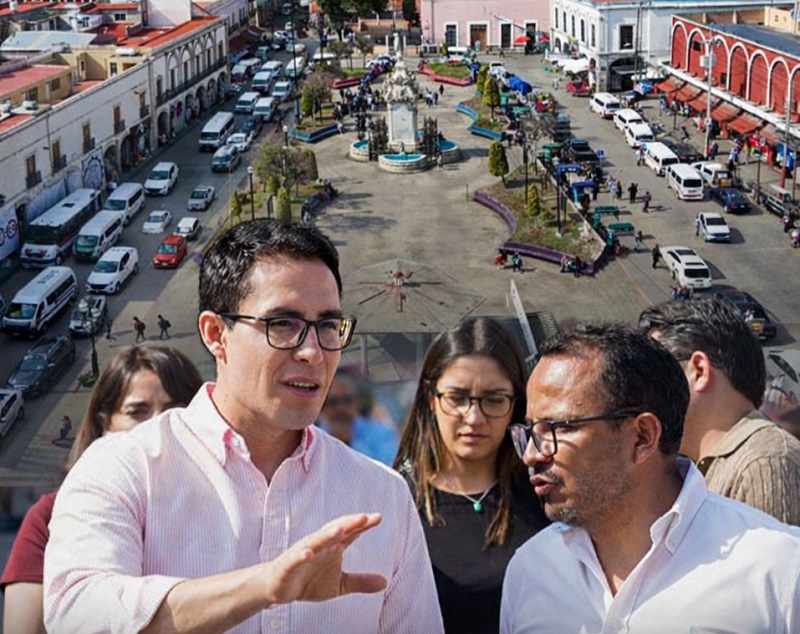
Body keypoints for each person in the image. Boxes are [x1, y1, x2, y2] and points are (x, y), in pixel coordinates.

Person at [44, 220, 444, 633]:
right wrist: (260, 588)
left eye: (327, 326)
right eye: (283, 324)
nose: (312, 352)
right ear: (216, 334)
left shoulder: (382, 495)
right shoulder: (126, 468)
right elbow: (78, 615)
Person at [500, 322, 800, 633]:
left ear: (642, 437)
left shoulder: (778, 570)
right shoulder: (531, 571)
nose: (531, 455)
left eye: (557, 428)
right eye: (529, 431)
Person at [2, 346, 203, 634]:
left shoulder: (223, 499)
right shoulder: (50, 515)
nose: (157, 427)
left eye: (175, 412)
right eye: (138, 412)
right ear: (104, 422)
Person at [395, 317, 549, 634]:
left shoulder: (547, 495)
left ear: (516, 403)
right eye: (457, 398)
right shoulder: (394, 502)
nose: (474, 417)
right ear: (431, 399)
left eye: (494, 399)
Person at [638, 298, 800, 525]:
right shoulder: (711, 467)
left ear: (699, 371)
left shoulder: (763, 462)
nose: (639, 393)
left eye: (650, 374)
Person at [317, 369, 399, 466]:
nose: (341, 409)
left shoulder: (381, 433)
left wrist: (348, 444)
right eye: (333, 402)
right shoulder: (313, 438)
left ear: (356, 402)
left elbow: (387, 468)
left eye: (347, 400)